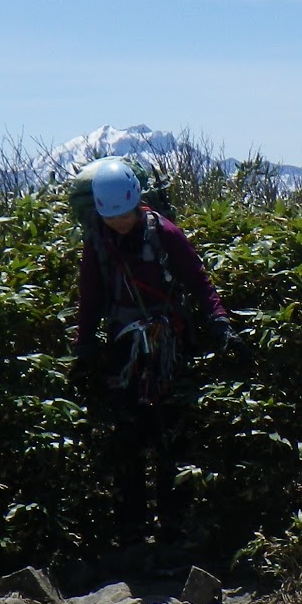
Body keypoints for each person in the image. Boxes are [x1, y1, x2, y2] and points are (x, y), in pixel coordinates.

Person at [70, 157, 236, 551]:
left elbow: (197, 278)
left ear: (136, 203)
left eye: (124, 215)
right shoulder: (97, 241)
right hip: (124, 348)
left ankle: (172, 528)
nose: (119, 222)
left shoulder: (165, 233)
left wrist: (219, 320)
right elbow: (90, 296)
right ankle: (132, 530)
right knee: (127, 437)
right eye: (111, 217)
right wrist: (84, 343)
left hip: (168, 346)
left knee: (169, 436)